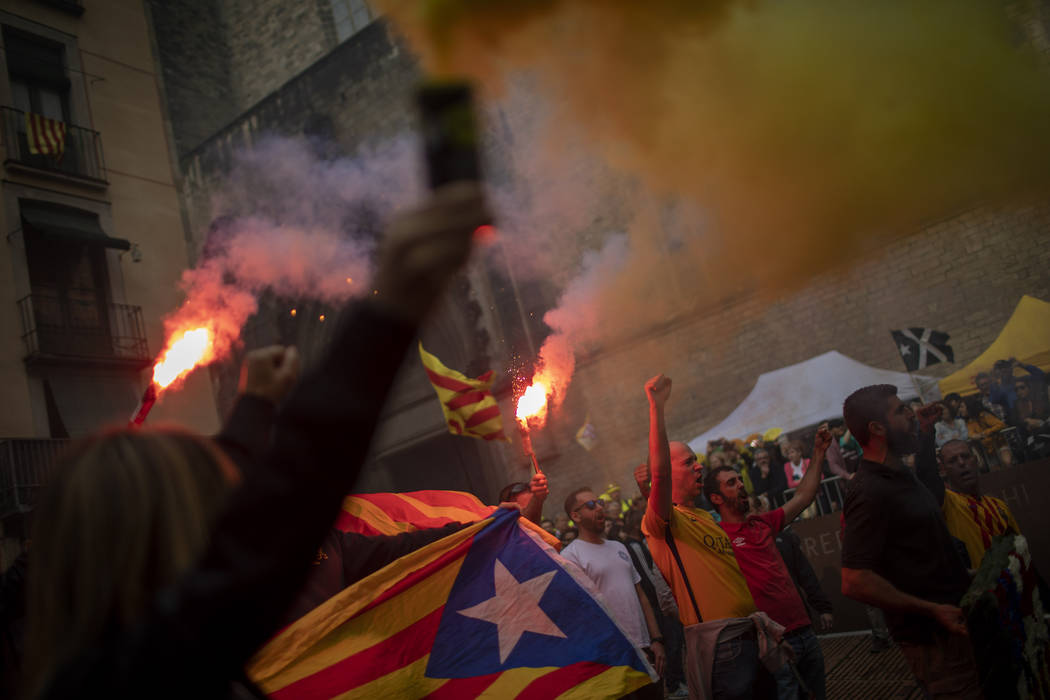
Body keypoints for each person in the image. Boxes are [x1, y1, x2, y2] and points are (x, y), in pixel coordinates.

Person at [22, 182, 490, 700]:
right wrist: (395, 306)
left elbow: (268, 515)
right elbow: (282, 500)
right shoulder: (170, 656)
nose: (210, 509)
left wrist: (254, 408)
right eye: (188, 494)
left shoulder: (93, 668)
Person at [640, 374, 783, 700]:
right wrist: (656, 408)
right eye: (689, 462)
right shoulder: (664, 522)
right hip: (722, 646)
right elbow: (659, 471)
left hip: (749, 633)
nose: (699, 467)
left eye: (697, 461)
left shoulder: (705, 517)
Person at [840, 384, 979, 699]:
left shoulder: (900, 473)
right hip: (934, 642)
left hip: (957, 626)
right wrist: (932, 609)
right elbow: (854, 581)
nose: (911, 414)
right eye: (900, 410)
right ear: (877, 428)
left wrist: (925, 432)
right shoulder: (868, 490)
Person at [707, 426, 833, 700]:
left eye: (739, 480)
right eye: (731, 483)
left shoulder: (762, 522)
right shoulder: (716, 540)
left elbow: (803, 497)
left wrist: (819, 452)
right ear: (715, 498)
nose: (740, 484)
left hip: (804, 630)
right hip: (772, 641)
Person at [562, 489, 665, 699]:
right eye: (591, 505)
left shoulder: (619, 547)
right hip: (612, 655)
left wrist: (656, 639)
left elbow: (641, 596)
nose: (600, 507)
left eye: (599, 502)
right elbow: (580, 613)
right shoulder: (570, 556)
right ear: (575, 516)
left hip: (645, 649)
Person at [920, 439, 1021, 569]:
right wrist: (926, 432)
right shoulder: (947, 502)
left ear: (976, 460)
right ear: (943, 470)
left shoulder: (999, 506)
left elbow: (1020, 549)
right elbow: (927, 476)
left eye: (965, 456)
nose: (961, 462)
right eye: (953, 460)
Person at [621, 510, 688, 699]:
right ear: (637, 525)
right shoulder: (633, 546)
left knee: (676, 642)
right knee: (672, 643)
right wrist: (664, 592)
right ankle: (673, 685)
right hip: (657, 602)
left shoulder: (641, 543)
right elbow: (648, 574)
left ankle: (678, 681)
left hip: (660, 600)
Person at [960, 396, 1008, 466]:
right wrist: (975, 436)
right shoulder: (969, 422)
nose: (960, 409)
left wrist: (985, 433)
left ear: (969, 406)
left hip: (999, 445)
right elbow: (971, 434)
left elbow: (1000, 424)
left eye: (962, 407)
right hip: (988, 451)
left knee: (1007, 462)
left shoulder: (983, 415)